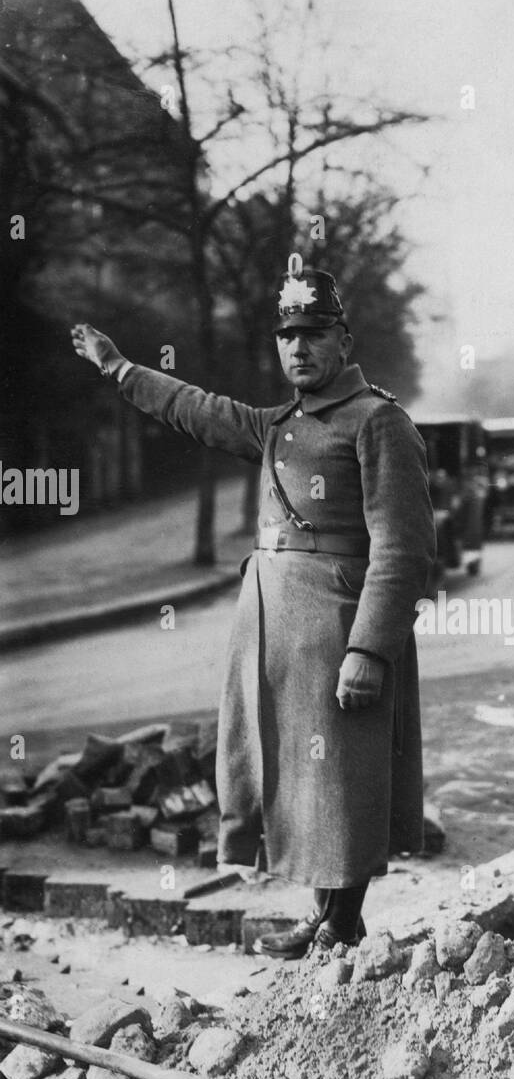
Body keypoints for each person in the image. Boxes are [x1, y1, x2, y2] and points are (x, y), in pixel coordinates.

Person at [70, 266, 436, 957]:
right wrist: (119, 368)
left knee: (343, 774)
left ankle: (342, 921)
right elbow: (196, 408)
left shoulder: (378, 421)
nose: (298, 349)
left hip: (336, 630)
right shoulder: (278, 425)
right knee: (296, 774)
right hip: (270, 630)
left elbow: (404, 548)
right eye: (287, 336)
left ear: (343, 340)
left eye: (313, 335)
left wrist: (370, 648)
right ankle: (327, 918)